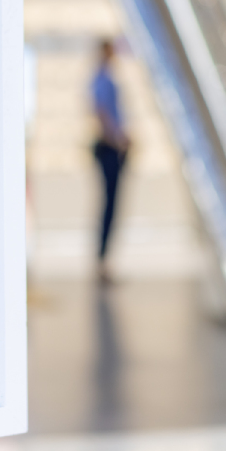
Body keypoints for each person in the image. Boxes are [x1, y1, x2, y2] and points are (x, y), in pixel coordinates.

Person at [91, 40, 129, 279]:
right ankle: (102, 260)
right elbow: (102, 111)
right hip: (109, 148)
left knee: (112, 204)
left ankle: (104, 259)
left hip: (113, 145)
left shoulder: (105, 78)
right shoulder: (102, 79)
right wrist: (116, 139)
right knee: (109, 204)